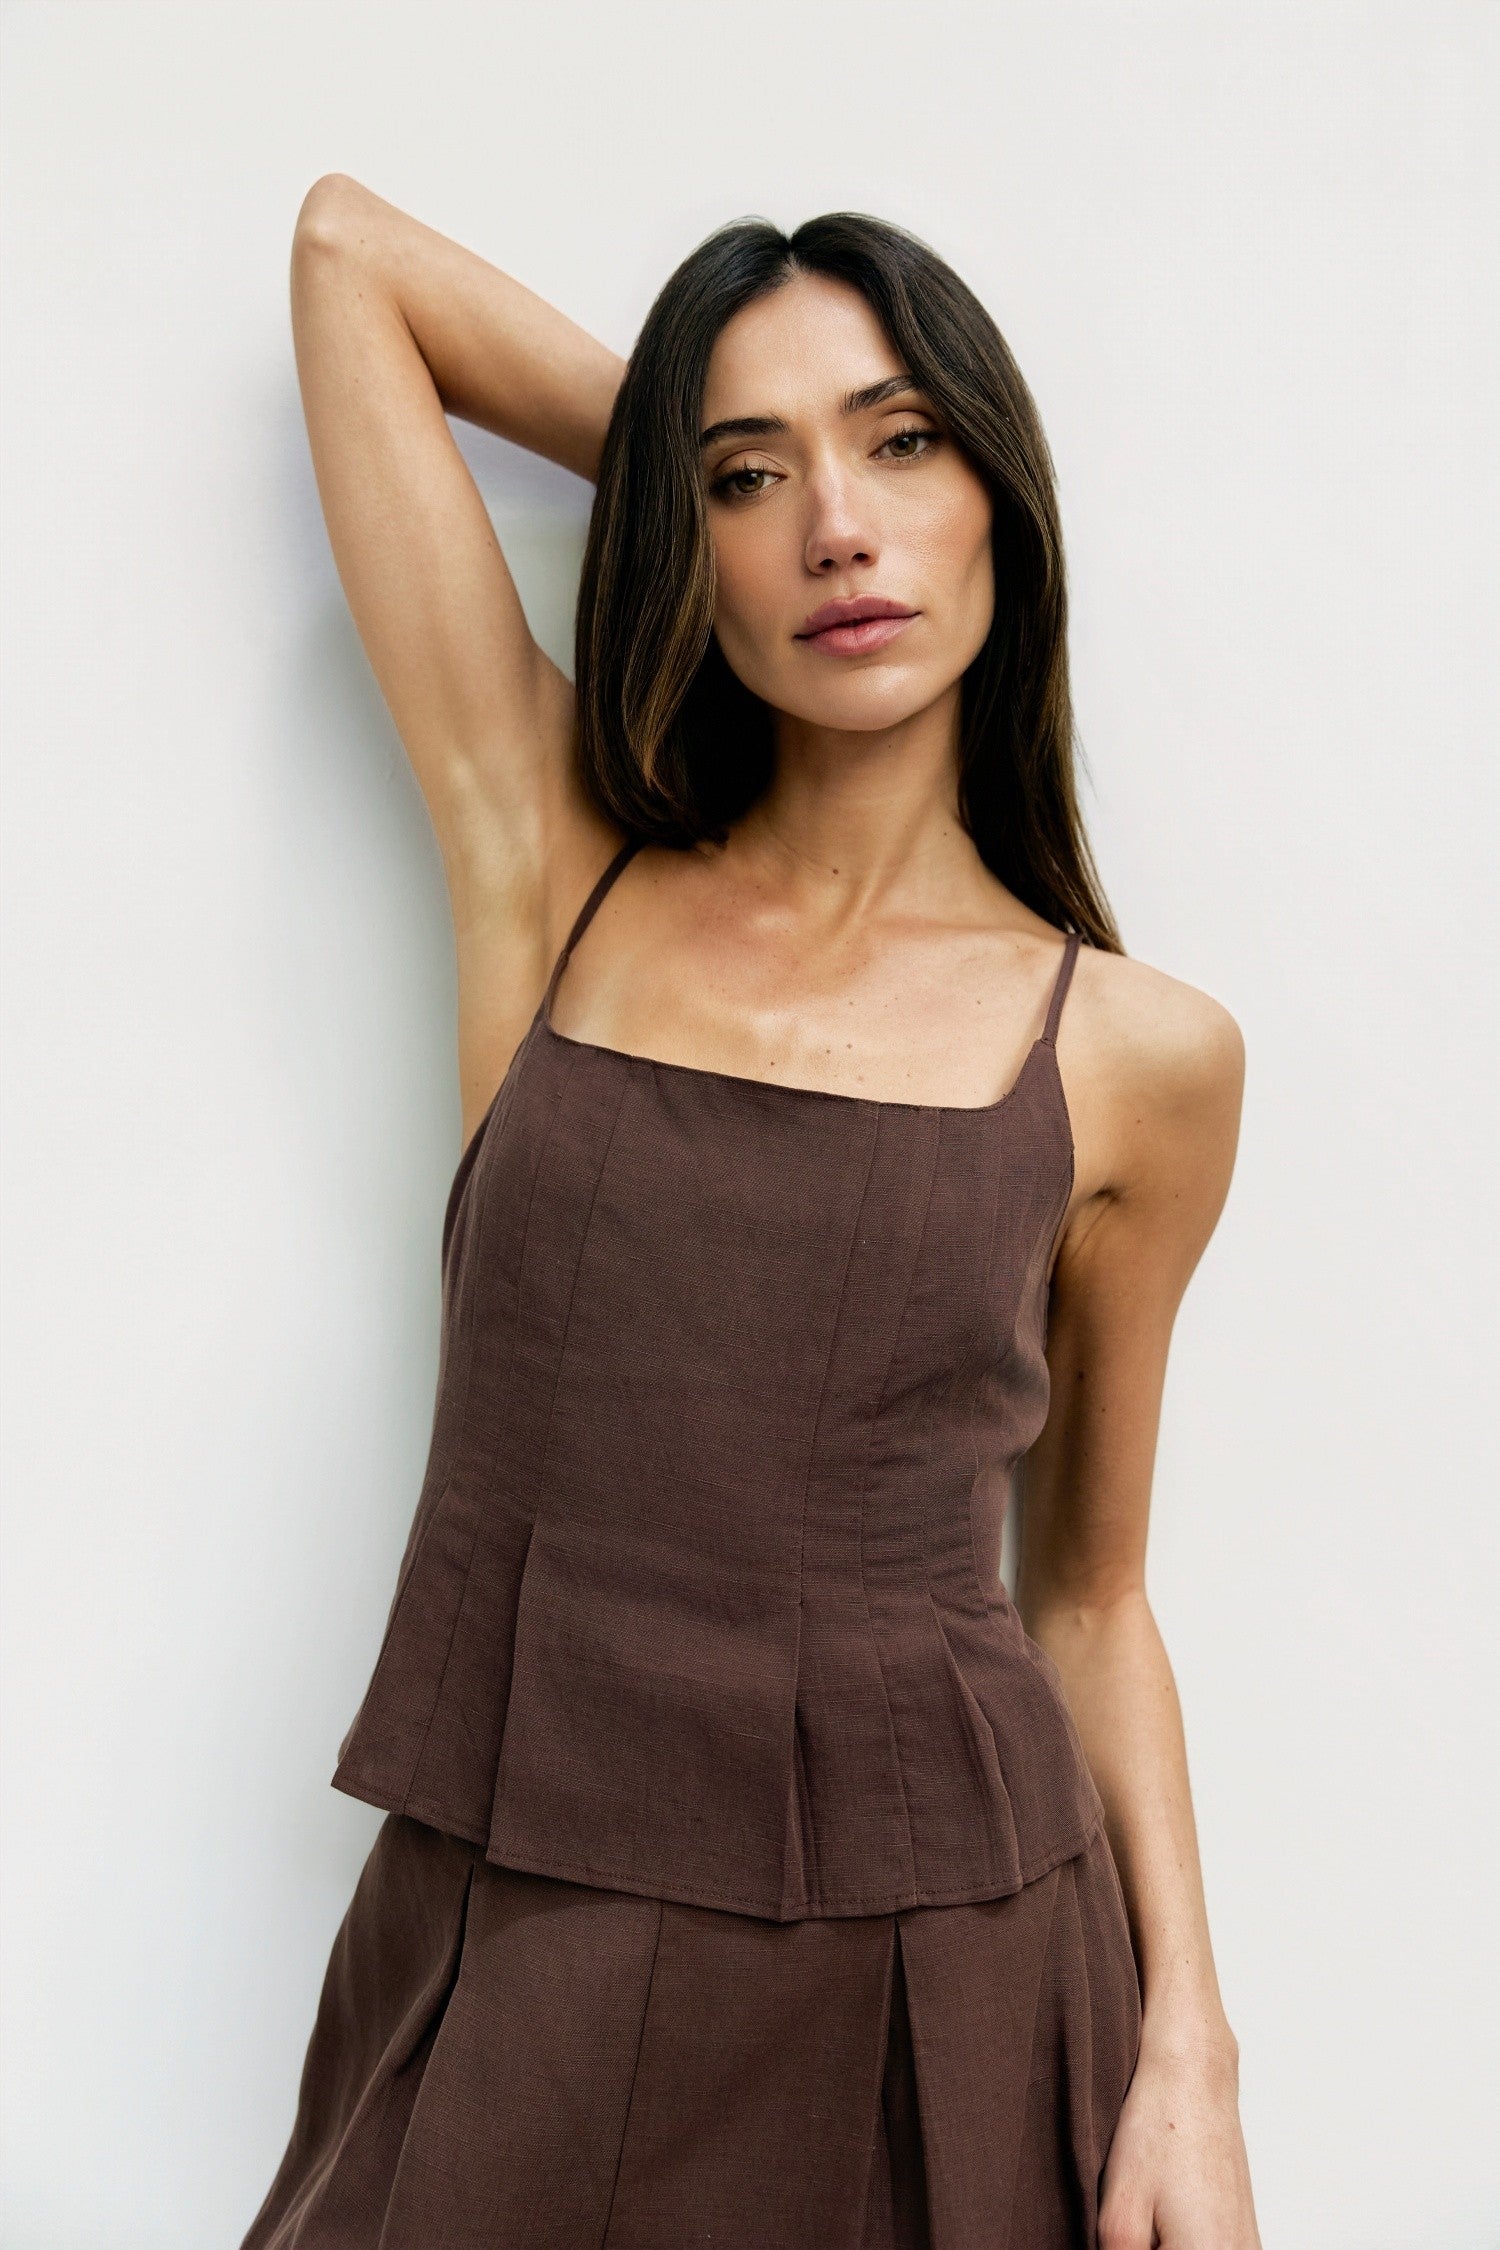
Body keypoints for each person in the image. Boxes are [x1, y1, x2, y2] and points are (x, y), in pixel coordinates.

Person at [239, 177, 1261, 2249]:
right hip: (515, 1920)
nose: (840, 530)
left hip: (944, 1970)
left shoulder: (1141, 1055)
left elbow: (1085, 1597)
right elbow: (351, 261)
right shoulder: (555, 872)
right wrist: (688, 485)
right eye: (750, 475)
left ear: (1004, 500)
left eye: (905, 444)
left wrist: (1192, 2056)